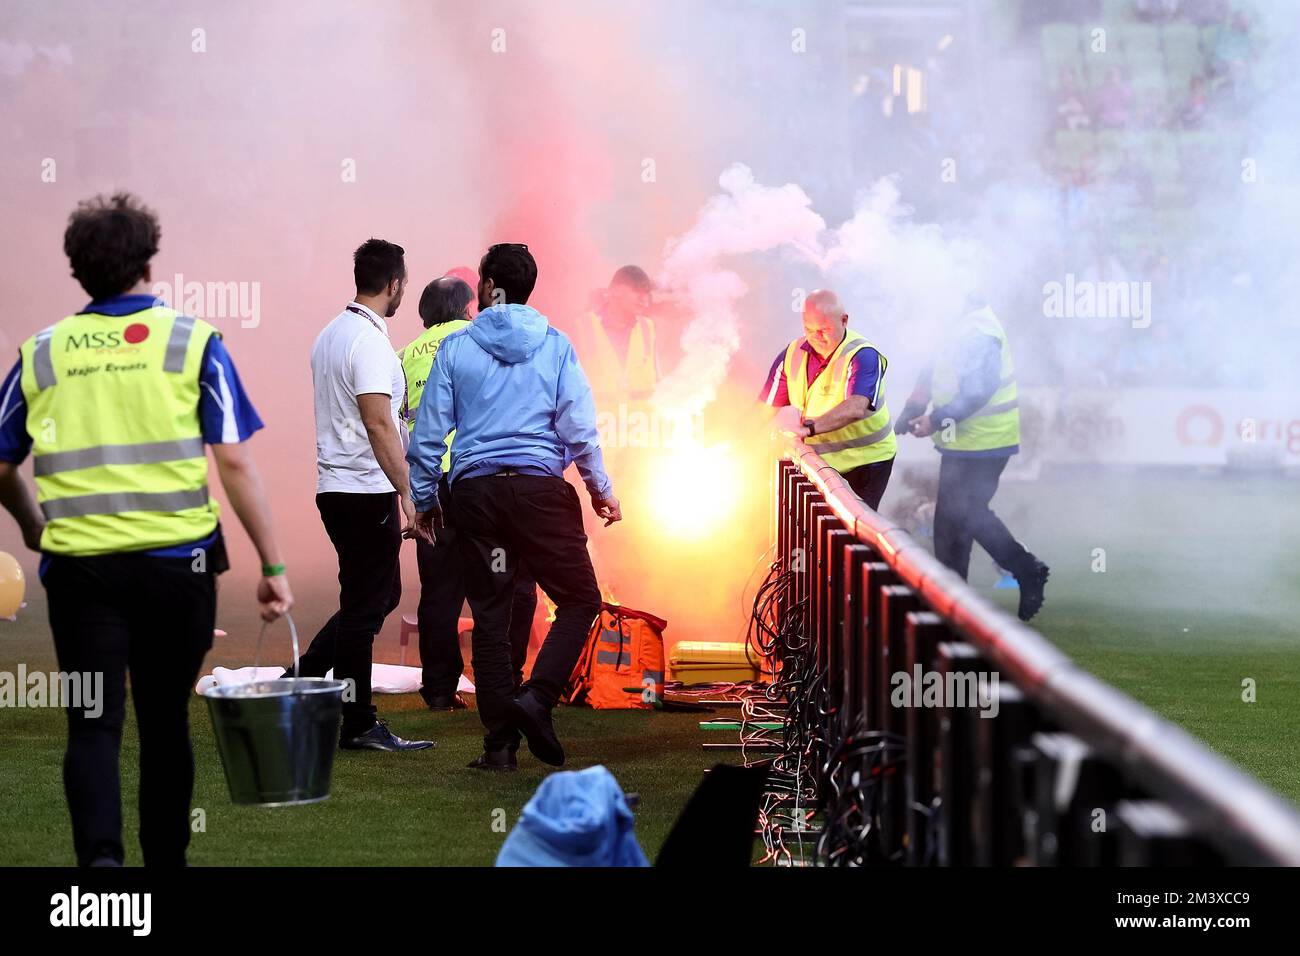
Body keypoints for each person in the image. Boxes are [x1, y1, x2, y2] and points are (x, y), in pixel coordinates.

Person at [0, 192, 293, 866]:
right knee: (165, 726)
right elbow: (236, 461)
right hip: (177, 569)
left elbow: (0, 462)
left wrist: (32, 524)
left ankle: (102, 869)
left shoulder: (42, 352)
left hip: (81, 572)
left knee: (93, 727)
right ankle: (166, 865)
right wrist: (273, 568)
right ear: (149, 264)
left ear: (78, 273)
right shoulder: (193, 342)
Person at [407, 242, 620, 771]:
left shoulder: (456, 347)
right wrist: (599, 489)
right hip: (539, 492)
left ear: (484, 288)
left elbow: (429, 435)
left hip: (477, 495)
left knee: (491, 619)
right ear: (528, 289)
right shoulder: (555, 345)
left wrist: (428, 500)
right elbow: (579, 429)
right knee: (579, 600)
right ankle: (537, 698)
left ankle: (499, 747)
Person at [294, 238, 432, 751]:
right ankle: (355, 720)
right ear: (394, 284)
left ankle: (299, 679)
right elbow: (378, 423)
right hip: (362, 488)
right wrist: (408, 493)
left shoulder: (330, 334)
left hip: (337, 487)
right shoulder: (370, 342)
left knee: (376, 597)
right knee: (363, 605)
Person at [398, 274, 538, 711]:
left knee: (439, 591)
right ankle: (505, 679)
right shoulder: (480, 339)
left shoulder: (402, 357)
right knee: (506, 580)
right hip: (479, 478)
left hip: (431, 485)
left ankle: (439, 690)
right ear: (466, 309)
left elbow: (400, 419)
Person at [896, 302, 1049, 621]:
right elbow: (931, 368)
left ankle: (1020, 570)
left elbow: (979, 390)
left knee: (964, 514)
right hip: (965, 442)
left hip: (987, 441)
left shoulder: (981, 331)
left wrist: (934, 420)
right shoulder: (955, 321)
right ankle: (955, 600)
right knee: (952, 519)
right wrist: (914, 407)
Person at [761, 289, 897, 510]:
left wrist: (808, 429)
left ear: (844, 320)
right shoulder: (792, 354)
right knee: (818, 532)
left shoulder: (863, 355)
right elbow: (764, 408)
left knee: (855, 527)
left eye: (824, 330)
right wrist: (735, 442)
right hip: (823, 462)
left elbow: (856, 407)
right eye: (809, 329)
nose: (816, 337)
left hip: (868, 463)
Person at [579, 265, 659, 407]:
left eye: (646, 292)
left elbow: (656, 381)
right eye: (636, 290)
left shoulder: (648, 327)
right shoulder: (583, 326)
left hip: (641, 426)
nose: (644, 299)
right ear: (614, 290)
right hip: (596, 425)